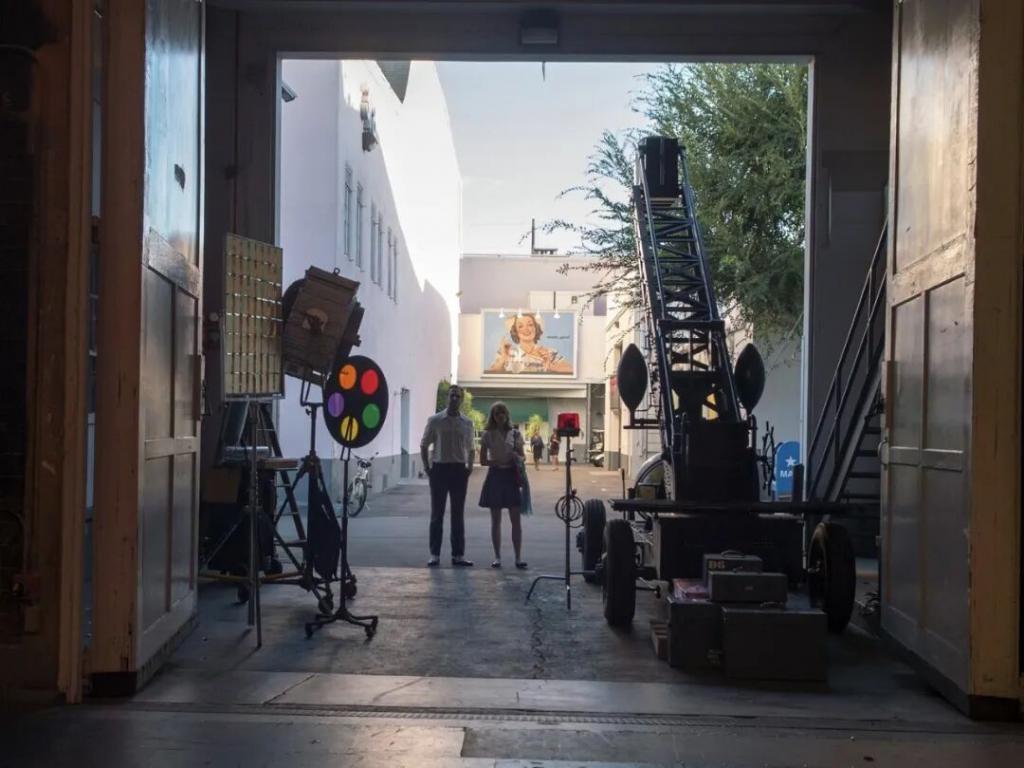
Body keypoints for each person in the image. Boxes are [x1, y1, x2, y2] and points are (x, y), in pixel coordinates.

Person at [420, 385, 475, 567]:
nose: (454, 399)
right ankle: (434, 554)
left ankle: (458, 555)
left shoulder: (467, 423)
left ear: (462, 399)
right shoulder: (435, 420)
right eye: (452, 395)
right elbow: (424, 444)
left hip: (459, 470)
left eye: (458, 396)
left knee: (458, 514)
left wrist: (469, 467)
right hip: (439, 469)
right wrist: (427, 468)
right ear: (447, 398)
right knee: (437, 513)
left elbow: (471, 447)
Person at [478, 402, 527, 569]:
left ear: (507, 415)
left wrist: (517, 456)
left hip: (511, 476)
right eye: (497, 413)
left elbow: (523, 456)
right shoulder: (487, 435)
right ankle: (497, 557)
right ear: (493, 416)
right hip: (495, 476)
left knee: (516, 519)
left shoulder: (515, 433)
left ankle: (518, 557)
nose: (500, 416)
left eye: (502, 413)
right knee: (495, 520)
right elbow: (483, 460)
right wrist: (498, 462)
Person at [485, 312, 573, 375]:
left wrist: (551, 366)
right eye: (520, 326)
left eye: (530, 325)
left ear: (536, 328)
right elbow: (490, 374)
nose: (526, 329)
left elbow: (571, 370)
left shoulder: (549, 352)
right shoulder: (505, 352)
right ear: (515, 331)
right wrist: (503, 359)